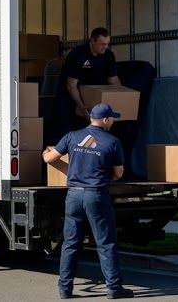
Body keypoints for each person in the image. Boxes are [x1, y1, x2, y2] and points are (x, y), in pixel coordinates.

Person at [43, 103, 133, 300]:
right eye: (112, 118)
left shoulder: (72, 136)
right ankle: (114, 288)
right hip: (96, 196)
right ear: (106, 120)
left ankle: (65, 289)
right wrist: (108, 177)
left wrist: (45, 153)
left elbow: (50, 158)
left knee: (71, 243)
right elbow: (118, 172)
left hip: (73, 195)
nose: (113, 121)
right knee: (105, 243)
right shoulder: (112, 142)